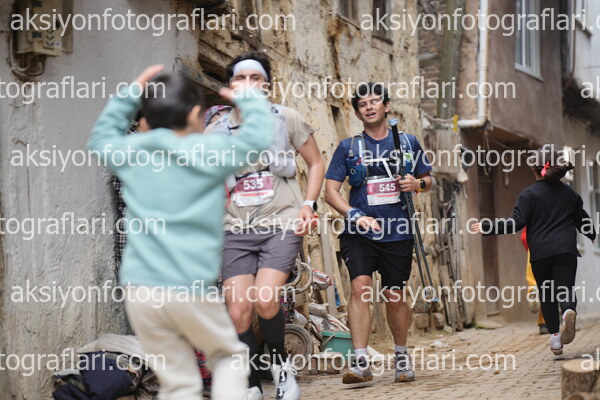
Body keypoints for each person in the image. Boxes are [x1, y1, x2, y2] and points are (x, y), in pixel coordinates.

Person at [88, 65, 274, 399]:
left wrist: (130, 93)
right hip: (190, 286)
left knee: (177, 379)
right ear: (194, 115)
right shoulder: (210, 152)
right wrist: (247, 102)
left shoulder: (132, 153)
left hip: (141, 292)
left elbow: (100, 137)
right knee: (229, 357)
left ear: (146, 118)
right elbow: (258, 139)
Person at [204, 51, 324, 400]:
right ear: (230, 87)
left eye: (256, 78)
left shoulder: (286, 119)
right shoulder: (215, 132)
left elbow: (316, 163)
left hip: (281, 222)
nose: (248, 84)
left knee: (265, 299)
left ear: (267, 86)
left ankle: (282, 369)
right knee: (238, 311)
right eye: (240, 78)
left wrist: (308, 204)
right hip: (234, 228)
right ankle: (252, 384)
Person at [324, 82, 433, 384]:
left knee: (394, 295)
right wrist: (355, 216)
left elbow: (428, 180)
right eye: (362, 104)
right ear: (358, 113)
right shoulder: (348, 147)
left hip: (398, 232)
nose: (369, 107)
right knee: (360, 288)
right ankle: (360, 362)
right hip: (359, 233)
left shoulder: (407, 142)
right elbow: (330, 192)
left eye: (374, 101)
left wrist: (417, 184)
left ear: (386, 106)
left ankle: (401, 356)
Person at [471, 145, 597, 355]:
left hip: (540, 253)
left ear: (534, 169)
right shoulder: (569, 193)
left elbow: (516, 223)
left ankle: (555, 340)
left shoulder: (528, 195)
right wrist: (592, 234)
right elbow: (581, 219)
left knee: (547, 293)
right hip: (565, 250)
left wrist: (488, 227)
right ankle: (568, 310)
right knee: (565, 289)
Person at [521, 229, 548, 334]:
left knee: (533, 277)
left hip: (533, 244)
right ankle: (544, 322)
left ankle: (532, 289)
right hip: (552, 247)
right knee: (549, 286)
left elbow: (523, 237)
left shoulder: (532, 217)